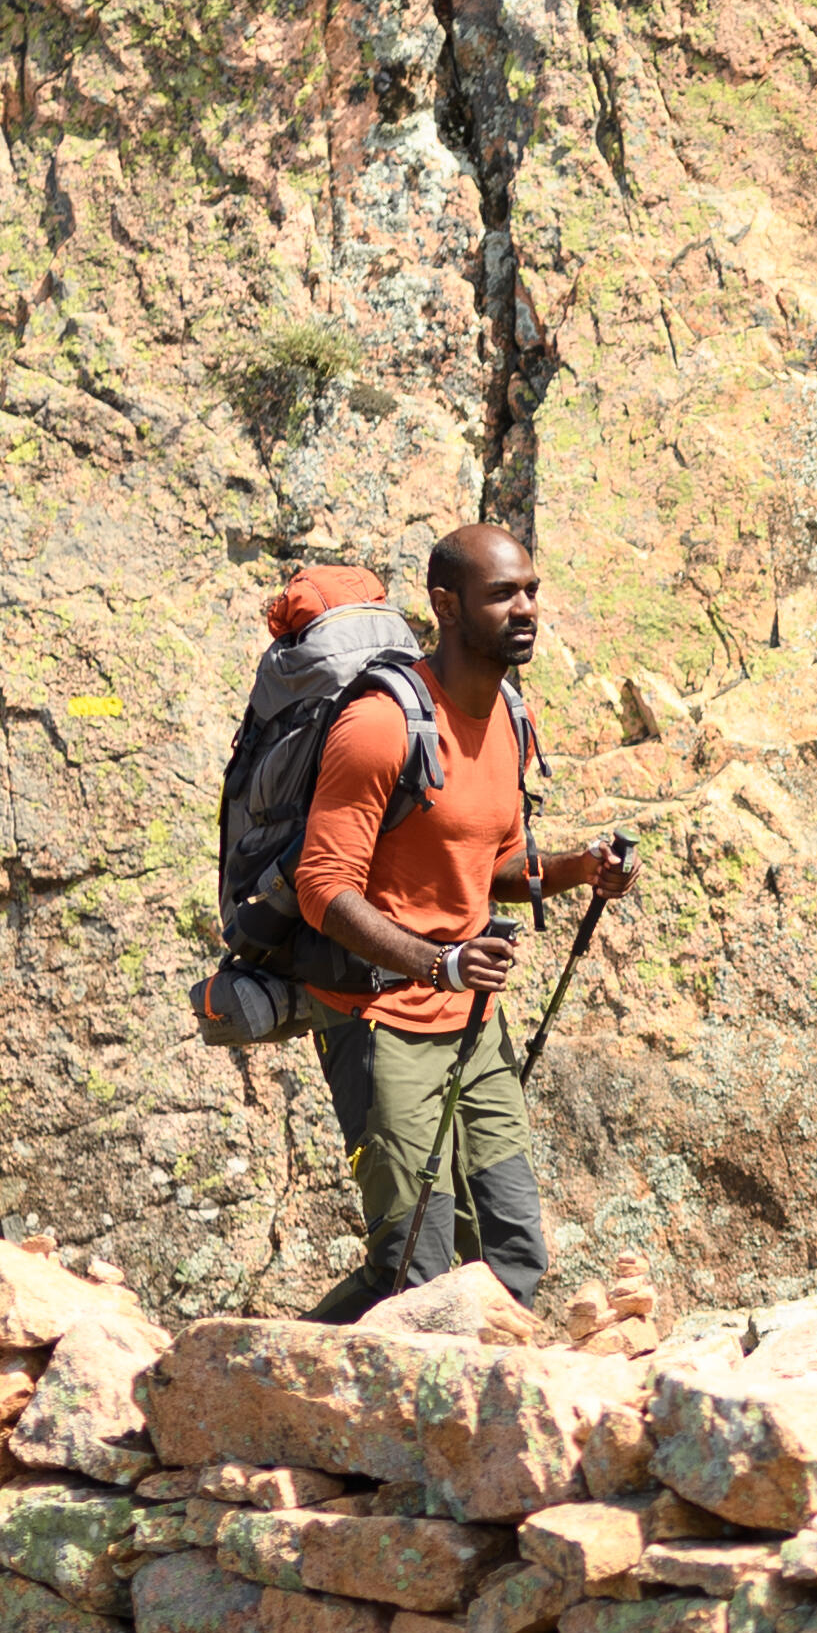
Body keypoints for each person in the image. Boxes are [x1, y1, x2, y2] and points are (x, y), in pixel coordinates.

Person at [292, 522, 636, 1316]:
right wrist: (437, 962)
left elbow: (498, 867)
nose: (527, 609)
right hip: (380, 1021)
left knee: (511, 1252)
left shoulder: (509, 717)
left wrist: (585, 869)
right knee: (414, 1267)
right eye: (503, 594)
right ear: (446, 605)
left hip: (471, 1026)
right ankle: (261, 1388)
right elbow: (322, 887)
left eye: (532, 592)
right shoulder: (381, 727)